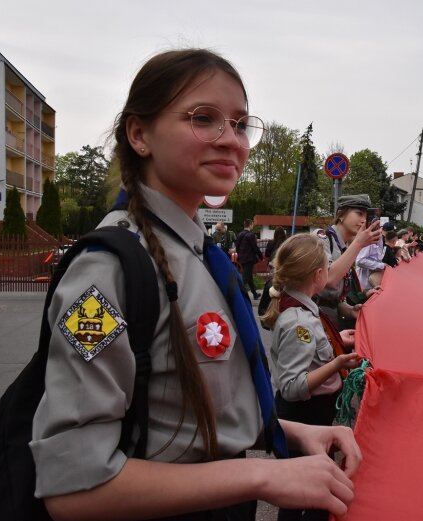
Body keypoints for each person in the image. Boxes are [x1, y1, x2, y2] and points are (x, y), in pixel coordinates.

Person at [30, 49, 361, 521]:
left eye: (241, 123)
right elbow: (74, 486)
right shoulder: (106, 275)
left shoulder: (197, 255)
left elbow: (178, 417)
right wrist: (263, 476)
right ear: (139, 134)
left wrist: (284, 433)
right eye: (204, 118)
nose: (232, 141)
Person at [260, 233, 361, 521]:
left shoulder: (303, 310)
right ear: (318, 275)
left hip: (311, 413)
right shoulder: (298, 322)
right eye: (328, 266)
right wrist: (337, 363)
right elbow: (292, 387)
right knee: (302, 496)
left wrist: (336, 341)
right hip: (304, 415)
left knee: (311, 490)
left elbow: (311, 352)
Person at [315, 194, 381, 330]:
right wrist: (358, 244)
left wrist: (350, 310)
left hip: (329, 319)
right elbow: (328, 280)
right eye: (359, 213)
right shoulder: (321, 238)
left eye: (366, 216)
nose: (364, 220)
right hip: (312, 318)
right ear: (341, 215)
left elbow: (334, 298)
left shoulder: (344, 247)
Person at [236, 218, 264, 300]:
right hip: (249, 259)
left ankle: (255, 294)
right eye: (252, 225)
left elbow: (237, 247)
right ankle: (236, 293)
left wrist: (240, 256)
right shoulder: (251, 235)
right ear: (250, 225)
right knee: (245, 278)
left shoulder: (240, 234)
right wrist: (260, 256)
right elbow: (255, 247)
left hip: (242, 258)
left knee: (249, 277)